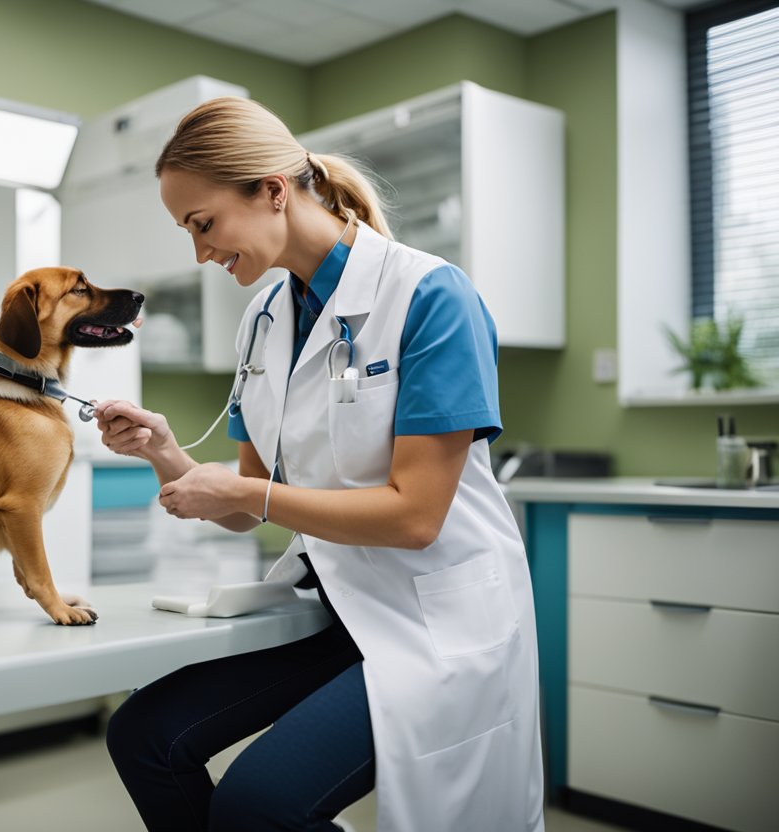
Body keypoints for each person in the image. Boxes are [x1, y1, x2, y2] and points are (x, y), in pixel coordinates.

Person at [94, 95, 545, 832]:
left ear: (271, 190)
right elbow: (241, 507)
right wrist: (165, 454)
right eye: (187, 232)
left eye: (203, 224)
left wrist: (251, 492)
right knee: (144, 737)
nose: (199, 253)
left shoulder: (429, 296)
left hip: (438, 625)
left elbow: (415, 514)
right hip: (341, 613)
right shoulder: (264, 319)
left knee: (257, 806)